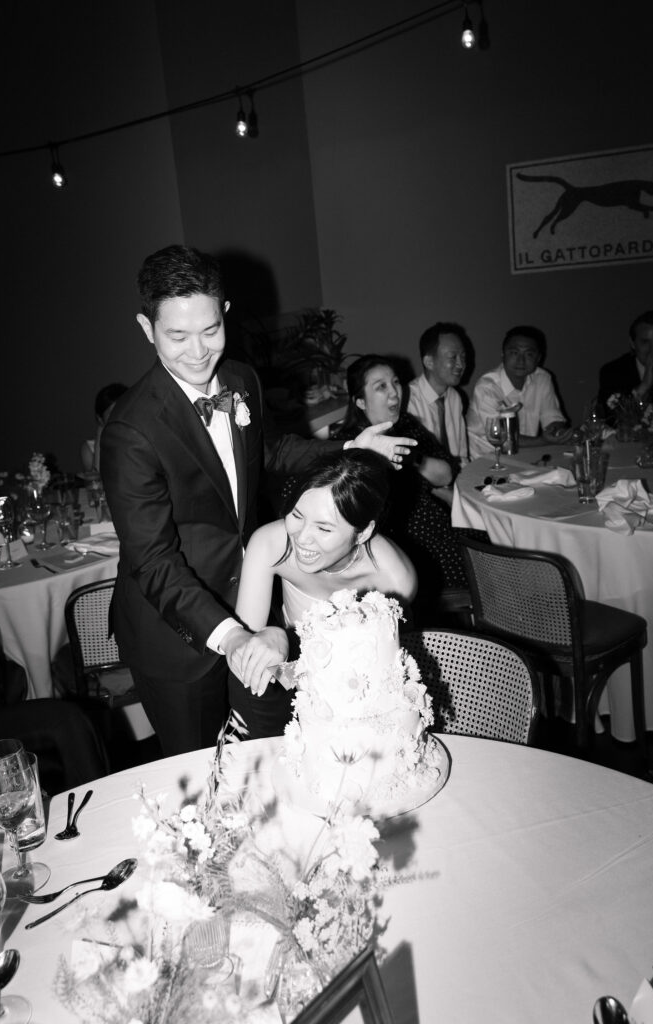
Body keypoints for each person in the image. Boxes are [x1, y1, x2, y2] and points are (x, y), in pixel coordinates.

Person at [100, 244, 415, 755]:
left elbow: (268, 450)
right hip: (174, 633)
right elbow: (153, 562)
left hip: (247, 595)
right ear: (146, 328)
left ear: (225, 313)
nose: (198, 351)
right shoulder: (130, 430)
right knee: (208, 772)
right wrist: (231, 636)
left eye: (210, 330)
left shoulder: (241, 380)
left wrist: (350, 446)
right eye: (177, 336)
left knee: (264, 754)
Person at [233, 449, 417, 704]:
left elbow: (378, 682)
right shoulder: (269, 544)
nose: (302, 537)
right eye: (297, 515)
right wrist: (274, 642)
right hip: (296, 694)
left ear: (363, 532)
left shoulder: (393, 581)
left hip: (363, 699)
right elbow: (247, 664)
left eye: (323, 528)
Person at [334, 355, 478, 622]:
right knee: (469, 562)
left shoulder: (406, 425)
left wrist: (407, 455)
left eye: (396, 383)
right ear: (360, 401)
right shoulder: (349, 443)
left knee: (481, 542)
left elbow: (445, 472)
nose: (394, 393)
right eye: (381, 386)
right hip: (394, 538)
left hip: (432, 523)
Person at [467, 326, 573, 456]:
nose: (521, 361)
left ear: (538, 358)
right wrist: (543, 440)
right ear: (503, 354)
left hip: (524, 456)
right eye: (514, 353)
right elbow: (502, 436)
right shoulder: (487, 387)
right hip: (486, 458)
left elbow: (551, 417)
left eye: (529, 354)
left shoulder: (542, 378)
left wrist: (558, 432)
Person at [407, 321, 470, 465]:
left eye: (463, 357)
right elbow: (415, 466)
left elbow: (462, 456)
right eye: (453, 357)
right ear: (429, 362)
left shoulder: (454, 397)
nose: (461, 364)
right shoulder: (408, 401)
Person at [598, 309, 653, 420]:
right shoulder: (613, 371)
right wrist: (643, 387)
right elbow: (609, 418)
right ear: (632, 343)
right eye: (645, 342)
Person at [80, 382, 128, 472]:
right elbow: (97, 479)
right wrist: (100, 432)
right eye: (113, 413)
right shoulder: (90, 449)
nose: (120, 417)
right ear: (100, 419)